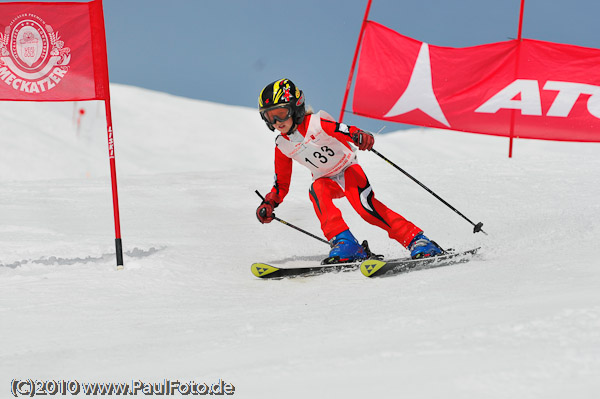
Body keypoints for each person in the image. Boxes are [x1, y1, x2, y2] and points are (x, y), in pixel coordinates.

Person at [255, 78, 443, 262]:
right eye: (270, 117)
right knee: (316, 190)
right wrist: (269, 203)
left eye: (281, 112)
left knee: (366, 209)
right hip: (326, 180)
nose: (277, 121)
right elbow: (281, 184)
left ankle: (417, 239)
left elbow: (344, 130)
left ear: (296, 108)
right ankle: (346, 243)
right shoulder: (282, 145)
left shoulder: (316, 123)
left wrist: (359, 135)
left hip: (347, 169)